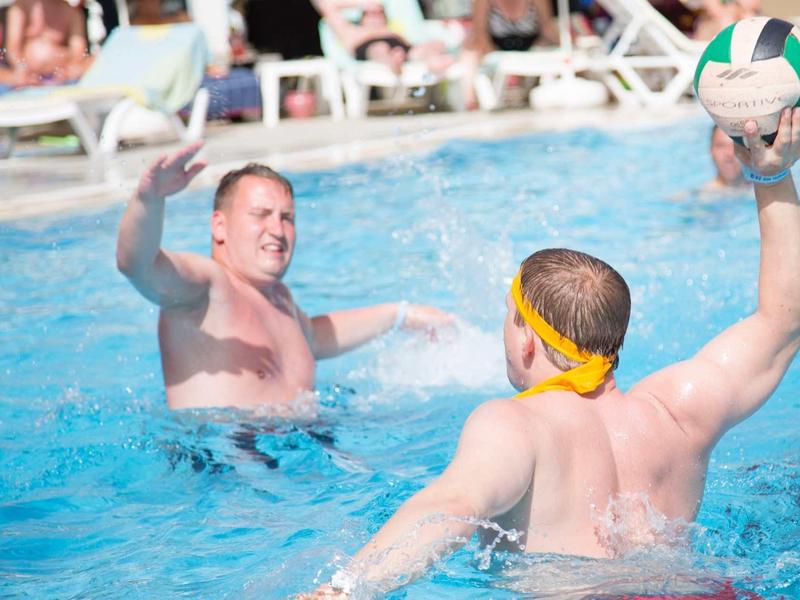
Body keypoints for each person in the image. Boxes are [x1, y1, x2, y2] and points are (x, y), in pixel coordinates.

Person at [302, 109, 800, 597]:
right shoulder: (678, 409)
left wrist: (342, 590)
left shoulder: (516, 424)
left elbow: (451, 505)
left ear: (526, 338)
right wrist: (773, 174)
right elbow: (783, 319)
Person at [116, 142, 453, 412]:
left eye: (287, 217)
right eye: (261, 215)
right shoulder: (207, 288)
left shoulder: (280, 300)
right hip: (225, 474)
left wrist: (401, 315)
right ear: (220, 226)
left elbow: (315, 338)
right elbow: (137, 264)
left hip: (289, 463)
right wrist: (148, 200)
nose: (277, 230)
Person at [460, 0, 559, 110]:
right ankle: (471, 100)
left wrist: (569, 43)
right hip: (495, 47)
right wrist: (499, 62)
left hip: (530, 46)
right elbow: (480, 33)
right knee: (470, 48)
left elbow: (547, 28)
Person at [314, 0, 456, 76]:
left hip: (402, 48)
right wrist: (362, 3)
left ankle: (432, 61)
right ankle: (393, 61)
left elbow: (411, 41)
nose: (376, 15)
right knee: (380, 49)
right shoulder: (350, 31)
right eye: (370, 13)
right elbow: (327, 5)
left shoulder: (391, 28)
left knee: (434, 44)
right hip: (371, 49)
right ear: (362, 16)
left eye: (380, 12)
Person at [5, 0, 92, 87]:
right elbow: (13, 48)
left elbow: (79, 53)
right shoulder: (21, 6)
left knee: (94, 59)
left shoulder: (72, 13)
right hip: (28, 77)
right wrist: (21, 68)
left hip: (60, 78)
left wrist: (69, 71)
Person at [702, 125, 748, 192]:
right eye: (721, 146)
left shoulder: (762, 192)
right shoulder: (699, 197)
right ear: (711, 151)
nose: (729, 154)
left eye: (736, 146)